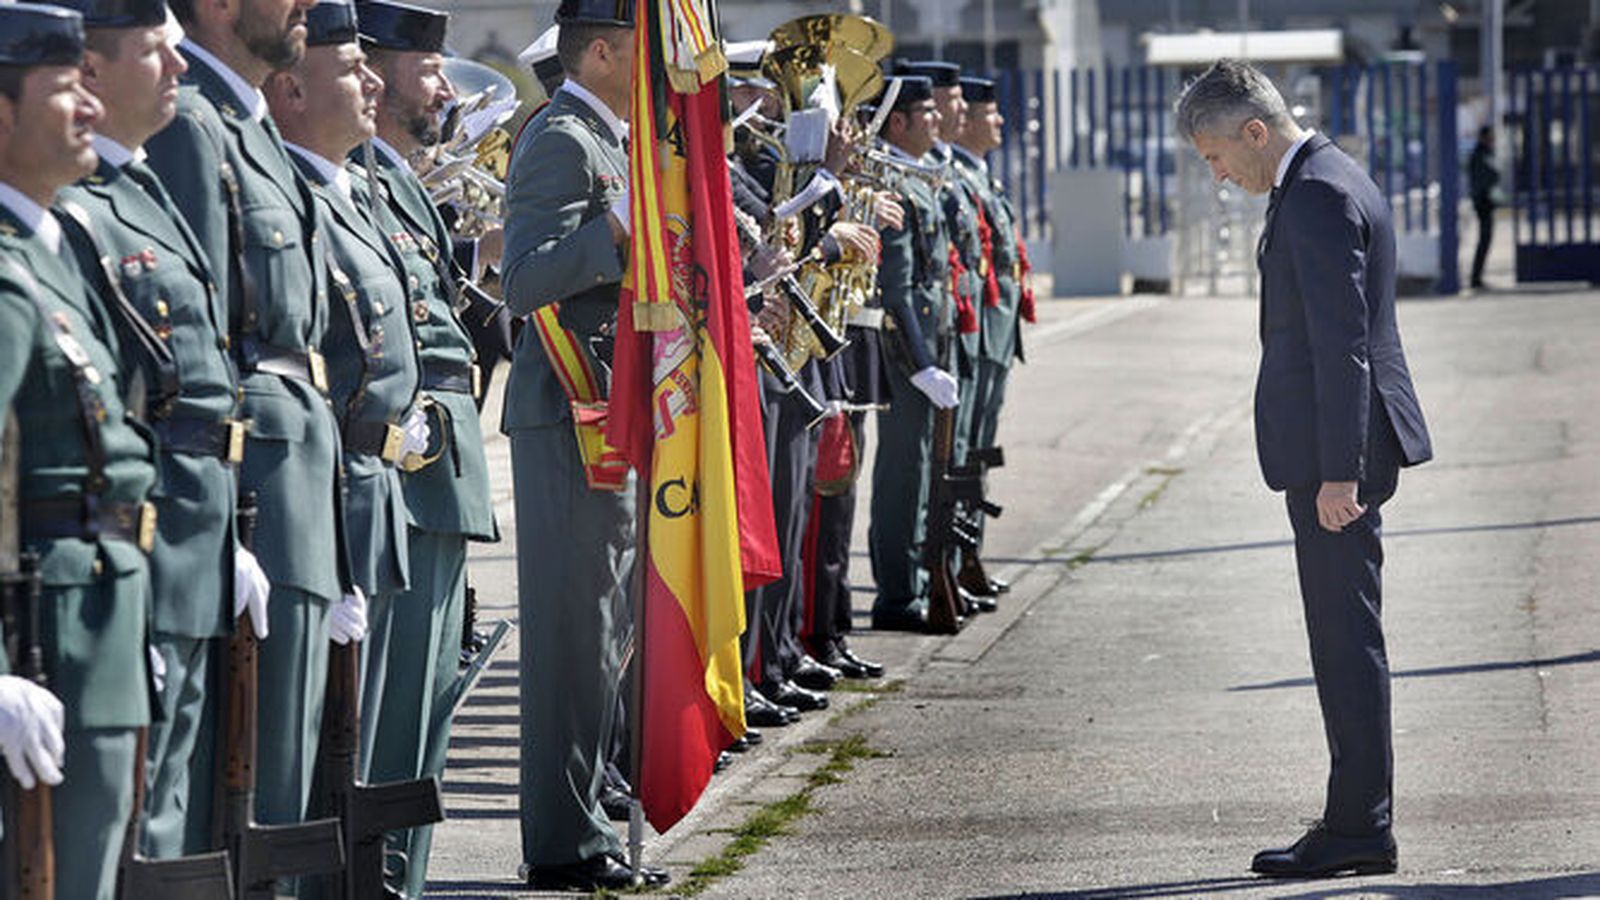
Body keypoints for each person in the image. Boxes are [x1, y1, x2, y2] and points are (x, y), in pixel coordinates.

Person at [1176, 58, 1433, 877]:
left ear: (1255, 131)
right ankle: (1358, 816)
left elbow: (1342, 345)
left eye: (1216, 156)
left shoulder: (1318, 192)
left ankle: (1360, 827)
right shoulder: (1325, 175)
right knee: (1342, 635)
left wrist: (1339, 473)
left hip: (1338, 460)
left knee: (1345, 638)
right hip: (1336, 450)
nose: (1216, 175)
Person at [53, 0, 271, 860]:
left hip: (193, 525)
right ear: (94, 74)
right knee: (127, 812)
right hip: (140, 537)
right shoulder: (77, 211)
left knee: (169, 795)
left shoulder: (138, 185)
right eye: (157, 53)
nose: (180, 69)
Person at [145, 0, 363, 835]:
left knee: (284, 785)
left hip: (299, 489)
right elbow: (196, 347)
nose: (306, 4)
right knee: (233, 798)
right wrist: (222, 526)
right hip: (253, 493)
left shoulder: (251, 123)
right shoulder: (193, 126)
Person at [498, 0, 668, 889]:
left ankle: (588, 812)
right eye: (644, 50)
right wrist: (611, 237)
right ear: (599, 52)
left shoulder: (616, 138)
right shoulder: (562, 136)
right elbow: (522, 282)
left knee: (606, 631)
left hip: (611, 407)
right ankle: (563, 845)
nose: (657, 68)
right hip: (568, 413)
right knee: (572, 636)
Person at [0, 6, 157, 896]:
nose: (90, 107)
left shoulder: (53, 249)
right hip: (44, 638)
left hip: (102, 628)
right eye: (66, 90)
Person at [354, 0, 500, 892]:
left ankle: (401, 880)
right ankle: (381, 880)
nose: (444, 86)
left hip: (440, 471)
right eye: (429, 67)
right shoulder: (364, 177)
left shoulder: (396, 176)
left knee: (427, 709)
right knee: (393, 714)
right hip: (408, 472)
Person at [265, 0, 423, 790]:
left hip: (374, 497)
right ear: (290, 91)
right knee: (313, 768)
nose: (372, 80)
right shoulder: (301, 198)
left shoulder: (349, 194)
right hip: (327, 499)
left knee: (358, 763)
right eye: (351, 65)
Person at [868, 75, 960, 633]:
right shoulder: (894, 181)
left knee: (926, 467)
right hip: (907, 351)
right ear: (897, 122)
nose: (935, 119)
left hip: (931, 338)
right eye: (924, 112)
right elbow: (897, 286)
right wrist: (921, 360)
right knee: (904, 470)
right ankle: (897, 594)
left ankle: (921, 580)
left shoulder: (917, 178)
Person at [952, 74, 1021, 598]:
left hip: (995, 333)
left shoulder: (980, 175)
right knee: (960, 452)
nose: (999, 122)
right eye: (989, 113)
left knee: (977, 452)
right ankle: (953, 561)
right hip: (974, 332)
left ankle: (967, 555)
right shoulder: (957, 176)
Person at [1468, 125, 1499, 290]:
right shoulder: (1480, 155)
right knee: (1484, 241)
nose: (1492, 141)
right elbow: (1488, 177)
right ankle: (1475, 277)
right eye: (1490, 137)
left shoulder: (1483, 154)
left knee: (1485, 241)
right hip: (1483, 203)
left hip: (1485, 202)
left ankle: (1477, 277)